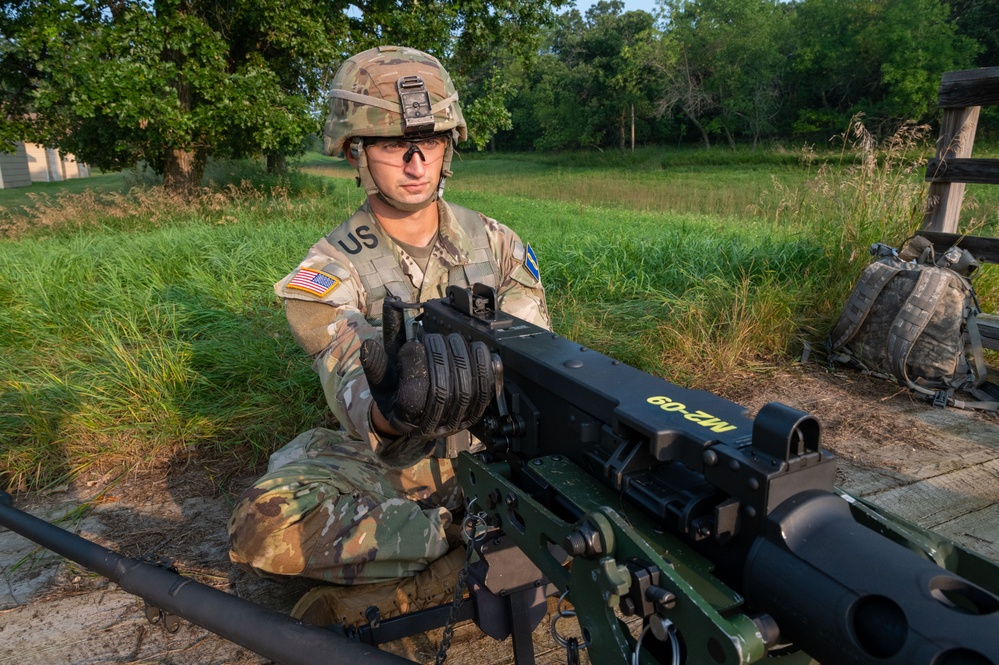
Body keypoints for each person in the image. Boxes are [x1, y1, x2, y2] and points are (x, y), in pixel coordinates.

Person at [227, 45, 550, 627]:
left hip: (494, 451)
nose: (415, 161)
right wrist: (391, 408)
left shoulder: (497, 243)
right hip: (392, 463)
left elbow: (536, 356)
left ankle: (430, 571)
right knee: (264, 522)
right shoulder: (329, 267)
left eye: (429, 143)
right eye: (393, 144)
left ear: (448, 148)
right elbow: (350, 387)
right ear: (356, 151)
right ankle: (465, 546)